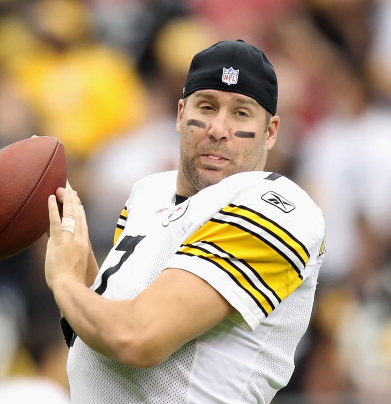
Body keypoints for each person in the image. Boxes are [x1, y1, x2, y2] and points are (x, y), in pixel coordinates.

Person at [42, 40, 327, 403]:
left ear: (270, 131)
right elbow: (105, 332)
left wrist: (64, 280)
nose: (218, 128)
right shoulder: (148, 193)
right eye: (206, 107)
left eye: (241, 113)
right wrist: (79, 258)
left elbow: (138, 338)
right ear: (180, 114)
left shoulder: (277, 206)